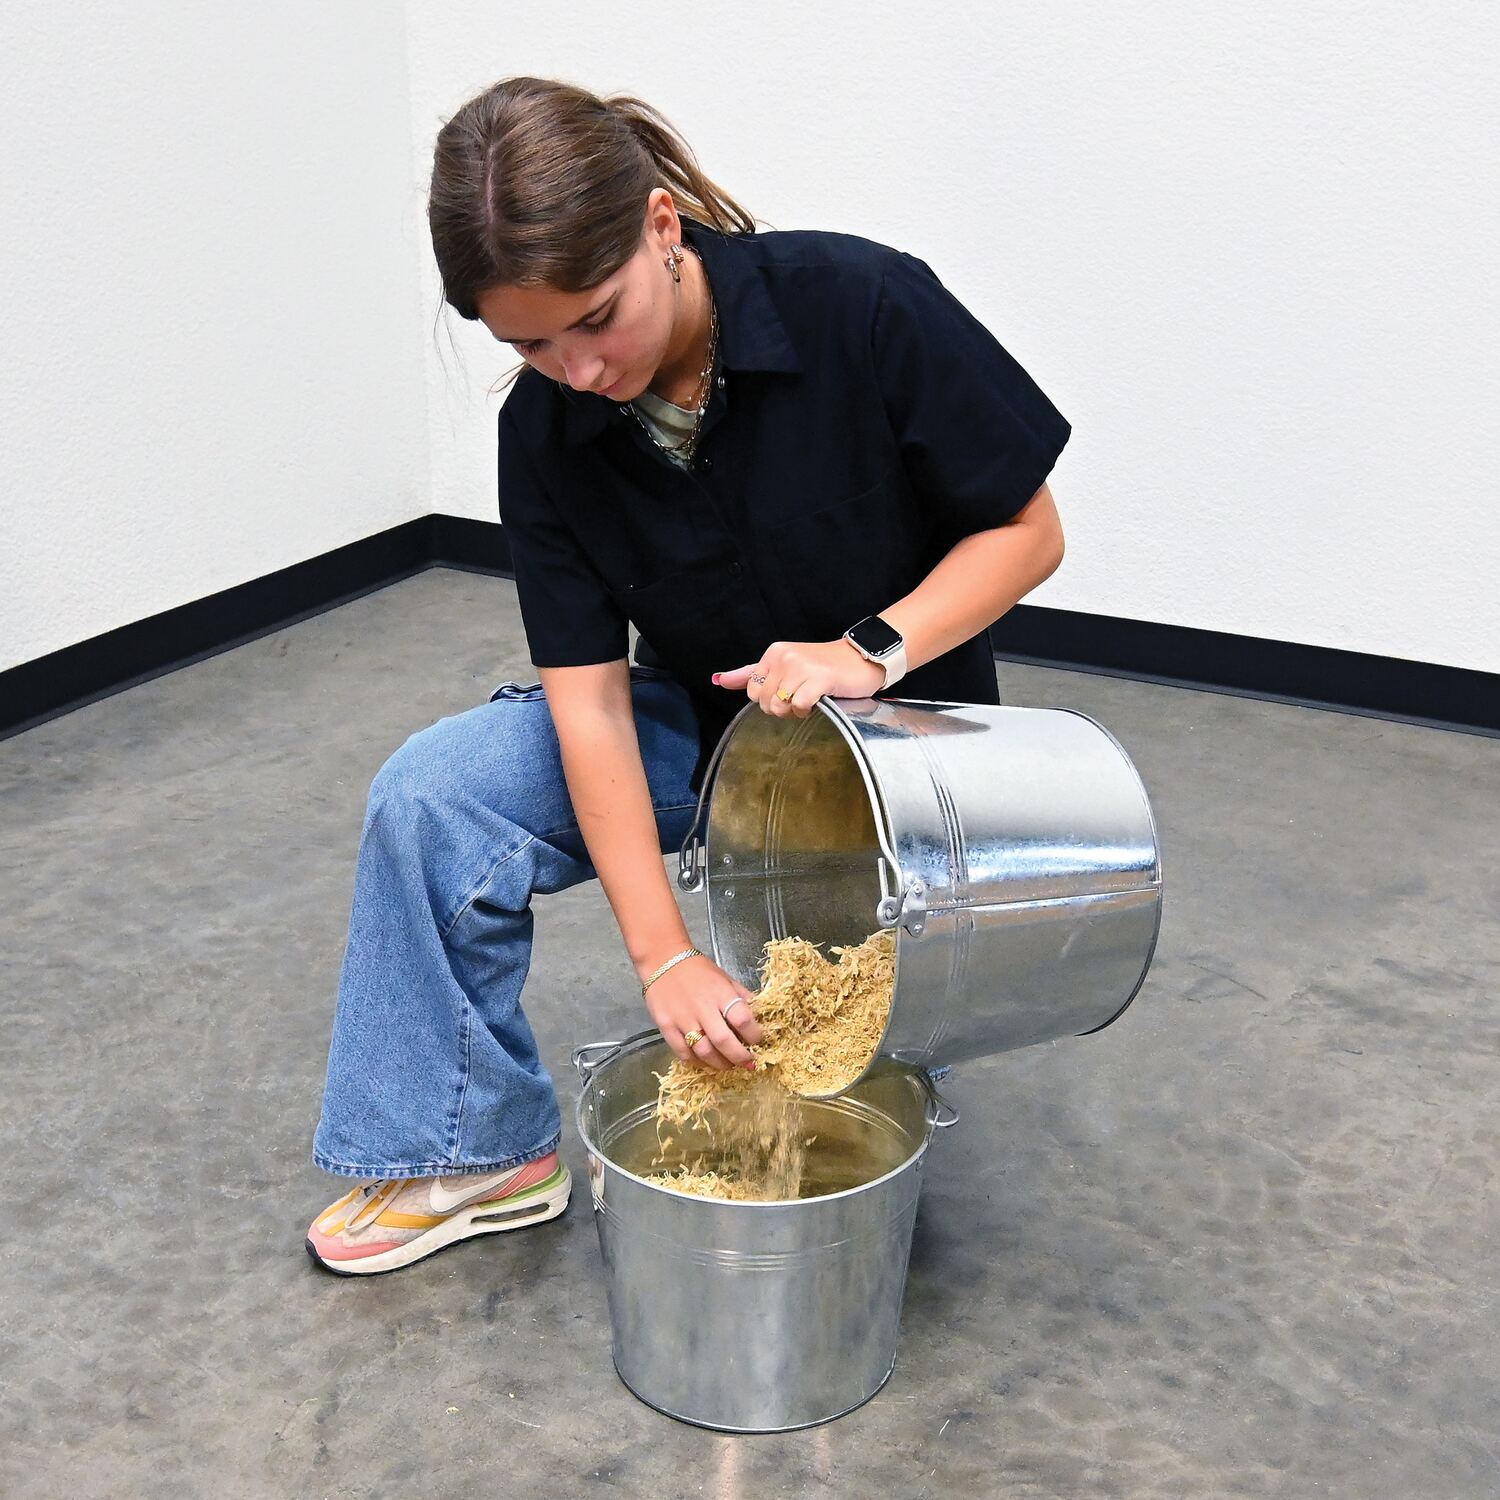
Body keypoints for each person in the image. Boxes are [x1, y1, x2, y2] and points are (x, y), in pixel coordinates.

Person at [306, 75, 1070, 1275]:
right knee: (433, 793)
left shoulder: (860, 303)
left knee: (855, 1044)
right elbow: (590, 707)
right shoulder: (543, 436)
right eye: (527, 344)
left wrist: (866, 651)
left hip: (903, 752)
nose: (576, 370)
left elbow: (1029, 534)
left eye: (596, 319)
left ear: (662, 227)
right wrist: (663, 953)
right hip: (712, 737)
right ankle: (479, 1149)